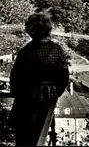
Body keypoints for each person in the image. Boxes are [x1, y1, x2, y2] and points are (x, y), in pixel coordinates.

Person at [9, 12, 70, 146]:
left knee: (24, 140)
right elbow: (64, 77)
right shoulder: (57, 50)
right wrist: (53, 93)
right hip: (48, 102)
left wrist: (22, 94)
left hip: (27, 104)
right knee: (40, 139)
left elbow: (15, 79)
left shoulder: (26, 52)